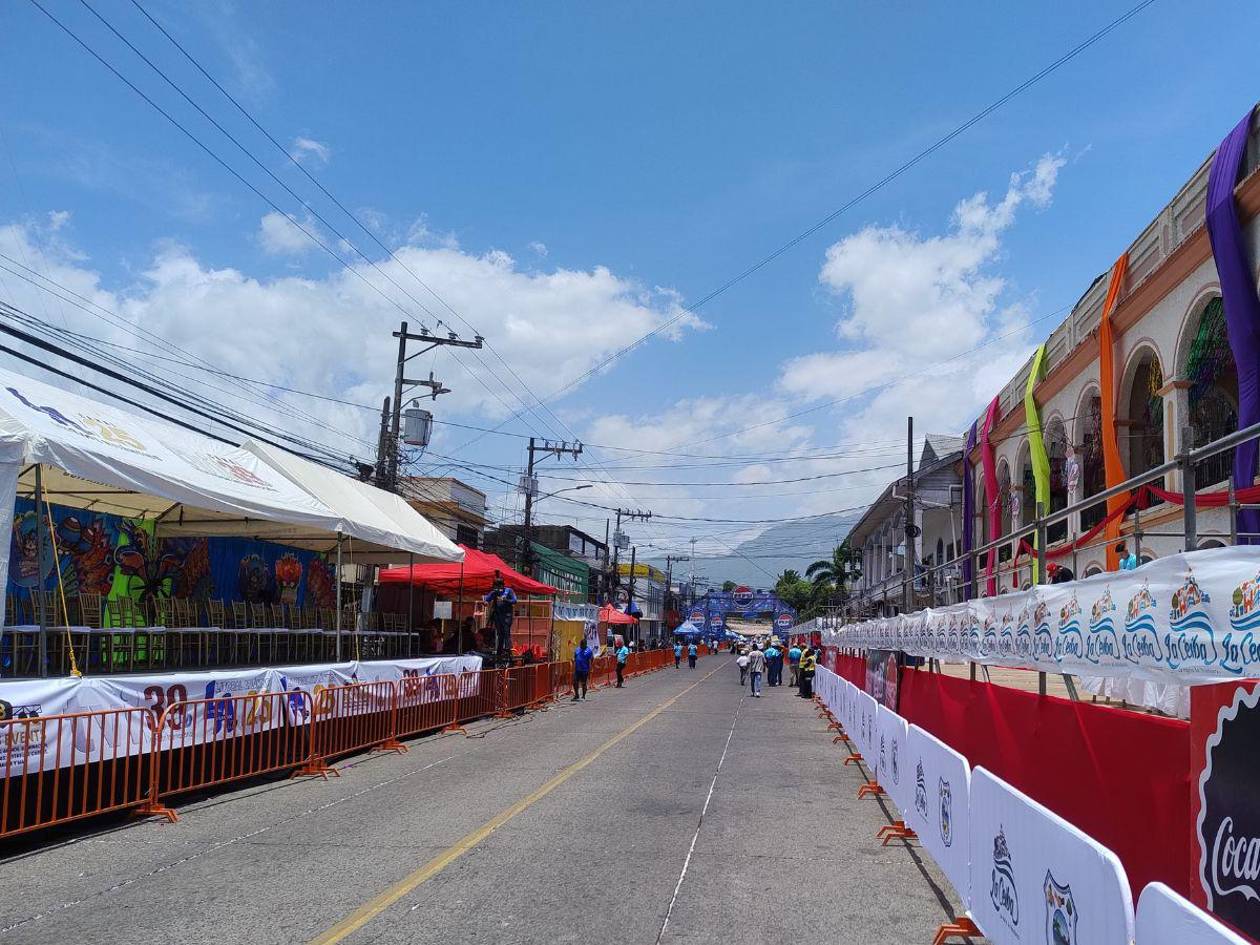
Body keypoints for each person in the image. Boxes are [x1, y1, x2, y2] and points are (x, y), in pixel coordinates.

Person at [483, 573, 518, 661]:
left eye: (498, 587)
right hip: (498, 616)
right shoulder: (494, 592)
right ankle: (499, 652)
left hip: (507, 616)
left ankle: (508, 651)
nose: (496, 589)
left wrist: (506, 600)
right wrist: (485, 602)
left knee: (506, 632)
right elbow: (487, 599)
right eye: (495, 587)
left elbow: (514, 600)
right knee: (500, 634)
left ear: (502, 585)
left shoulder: (509, 591)